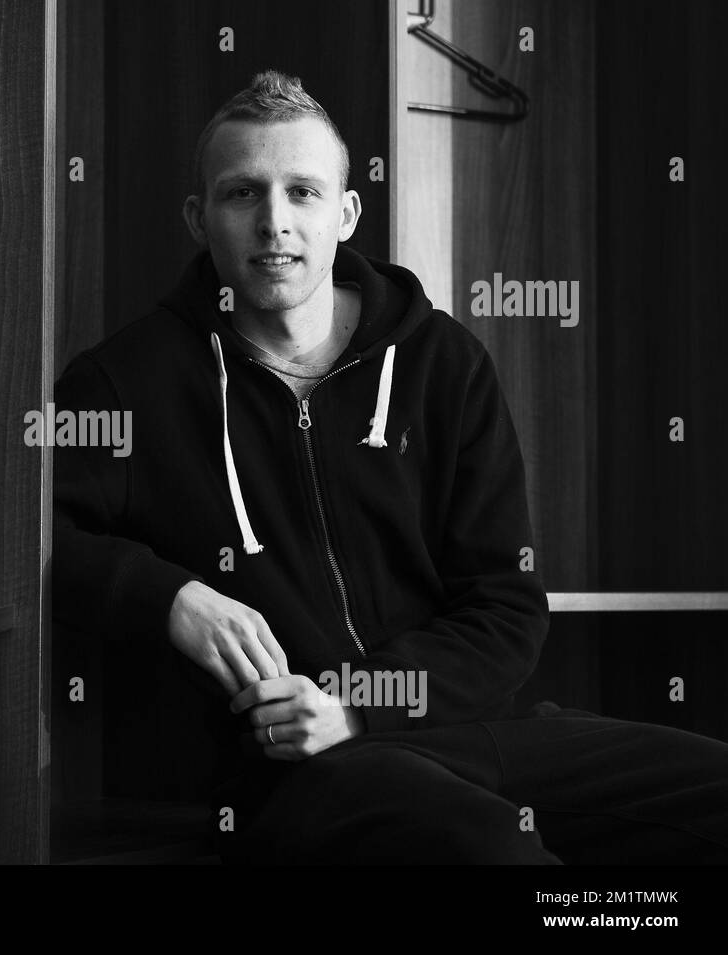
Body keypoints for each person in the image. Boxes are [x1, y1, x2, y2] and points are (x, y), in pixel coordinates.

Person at [52, 69, 728, 864]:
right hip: (289, 774)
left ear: (346, 213)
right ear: (200, 218)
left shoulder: (443, 363)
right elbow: (33, 539)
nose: (275, 222)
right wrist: (175, 598)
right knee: (489, 852)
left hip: (476, 731)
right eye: (243, 194)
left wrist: (357, 700)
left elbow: (507, 606)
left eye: (302, 191)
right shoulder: (126, 383)